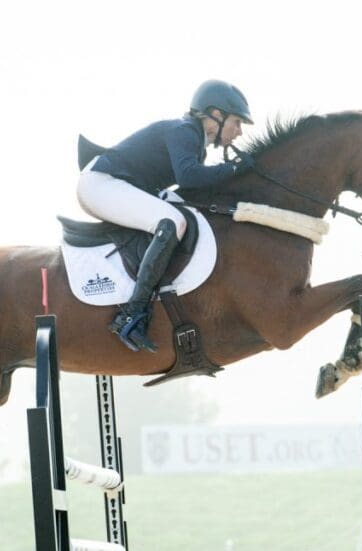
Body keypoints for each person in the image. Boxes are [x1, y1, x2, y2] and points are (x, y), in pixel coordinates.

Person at [77, 79, 256, 352]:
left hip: (115, 184)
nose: (239, 132)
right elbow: (189, 176)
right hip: (101, 184)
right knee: (172, 222)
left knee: (183, 214)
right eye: (237, 122)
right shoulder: (184, 131)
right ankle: (132, 313)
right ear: (215, 115)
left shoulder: (195, 141)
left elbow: (192, 183)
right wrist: (233, 170)